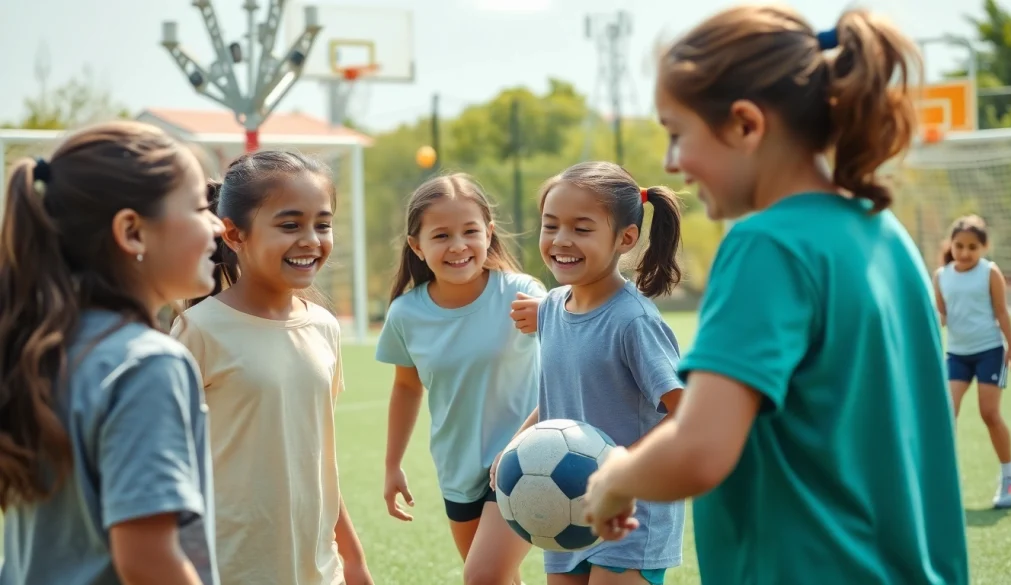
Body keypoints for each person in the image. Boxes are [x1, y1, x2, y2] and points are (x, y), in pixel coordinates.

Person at [580, 5, 970, 584]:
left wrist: (614, 478)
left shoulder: (767, 246)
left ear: (744, 124)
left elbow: (700, 449)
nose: (670, 163)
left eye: (676, 132)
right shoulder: (885, 234)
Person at [0, 121, 223, 585]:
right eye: (201, 207)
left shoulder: (38, 350)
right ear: (132, 231)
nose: (218, 223)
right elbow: (148, 562)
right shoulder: (147, 365)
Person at [170, 151, 373, 585]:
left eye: (323, 223)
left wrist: (352, 559)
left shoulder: (323, 327)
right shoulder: (198, 331)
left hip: (320, 571)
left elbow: (320, 461)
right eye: (289, 224)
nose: (311, 239)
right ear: (233, 233)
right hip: (231, 570)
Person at [496, 161, 686, 585]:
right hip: (564, 511)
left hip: (631, 511)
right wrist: (515, 447)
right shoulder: (554, 308)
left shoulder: (633, 321)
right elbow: (559, 398)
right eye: (551, 226)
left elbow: (685, 413)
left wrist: (622, 469)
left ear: (626, 238)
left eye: (582, 229)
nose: (562, 241)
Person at [375, 173, 544, 585]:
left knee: (483, 576)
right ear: (417, 245)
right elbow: (406, 386)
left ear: (488, 234)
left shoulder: (523, 295)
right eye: (441, 235)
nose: (458, 246)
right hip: (457, 466)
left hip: (527, 458)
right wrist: (392, 464)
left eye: (470, 231)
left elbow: (569, 363)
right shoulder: (405, 314)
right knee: (496, 578)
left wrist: (552, 314)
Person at [934, 214, 1011, 508]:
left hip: (989, 351)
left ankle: (1010, 477)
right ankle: (941, 481)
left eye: (973, 246)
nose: (965, 252)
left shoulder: (989, 272)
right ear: (951, 245)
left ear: (983, 247)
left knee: (989, 414)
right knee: (946, 415)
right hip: (957, 355)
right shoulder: (941, 276)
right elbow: (943, 315)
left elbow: (1001, 311)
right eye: (959, 245)